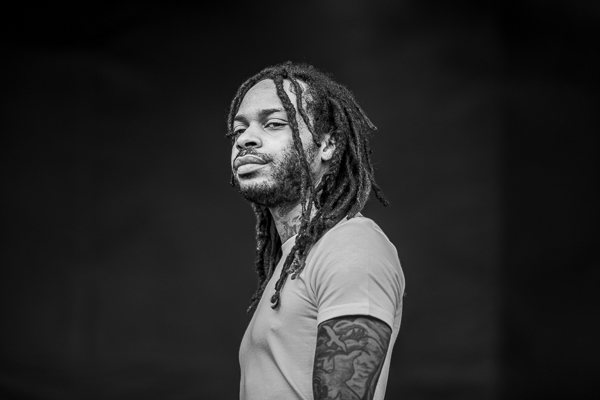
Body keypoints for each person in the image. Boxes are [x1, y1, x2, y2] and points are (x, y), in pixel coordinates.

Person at [227, 61, 405, 400]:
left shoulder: (351, 245)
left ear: (327, 145)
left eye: (274, 123)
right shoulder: (296, 257)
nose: (245, 139)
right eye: (238, 130)